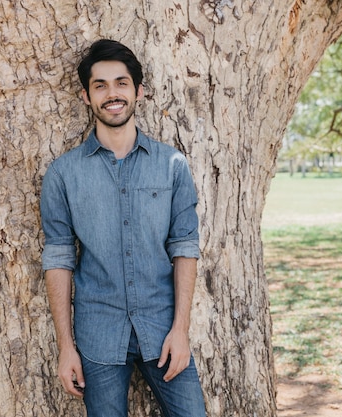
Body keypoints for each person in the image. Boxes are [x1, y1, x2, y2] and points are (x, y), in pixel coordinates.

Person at [40, 39, 206, 417]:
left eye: (121, 83)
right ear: (86, 96)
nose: (111, 94)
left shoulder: (172, 165)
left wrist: (181, 330)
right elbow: (59, 258)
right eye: (100, 85)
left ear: (139, 91)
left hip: (162, 329)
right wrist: (66, 346)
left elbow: (185, 247)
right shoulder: (63, 174)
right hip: (99, 334)